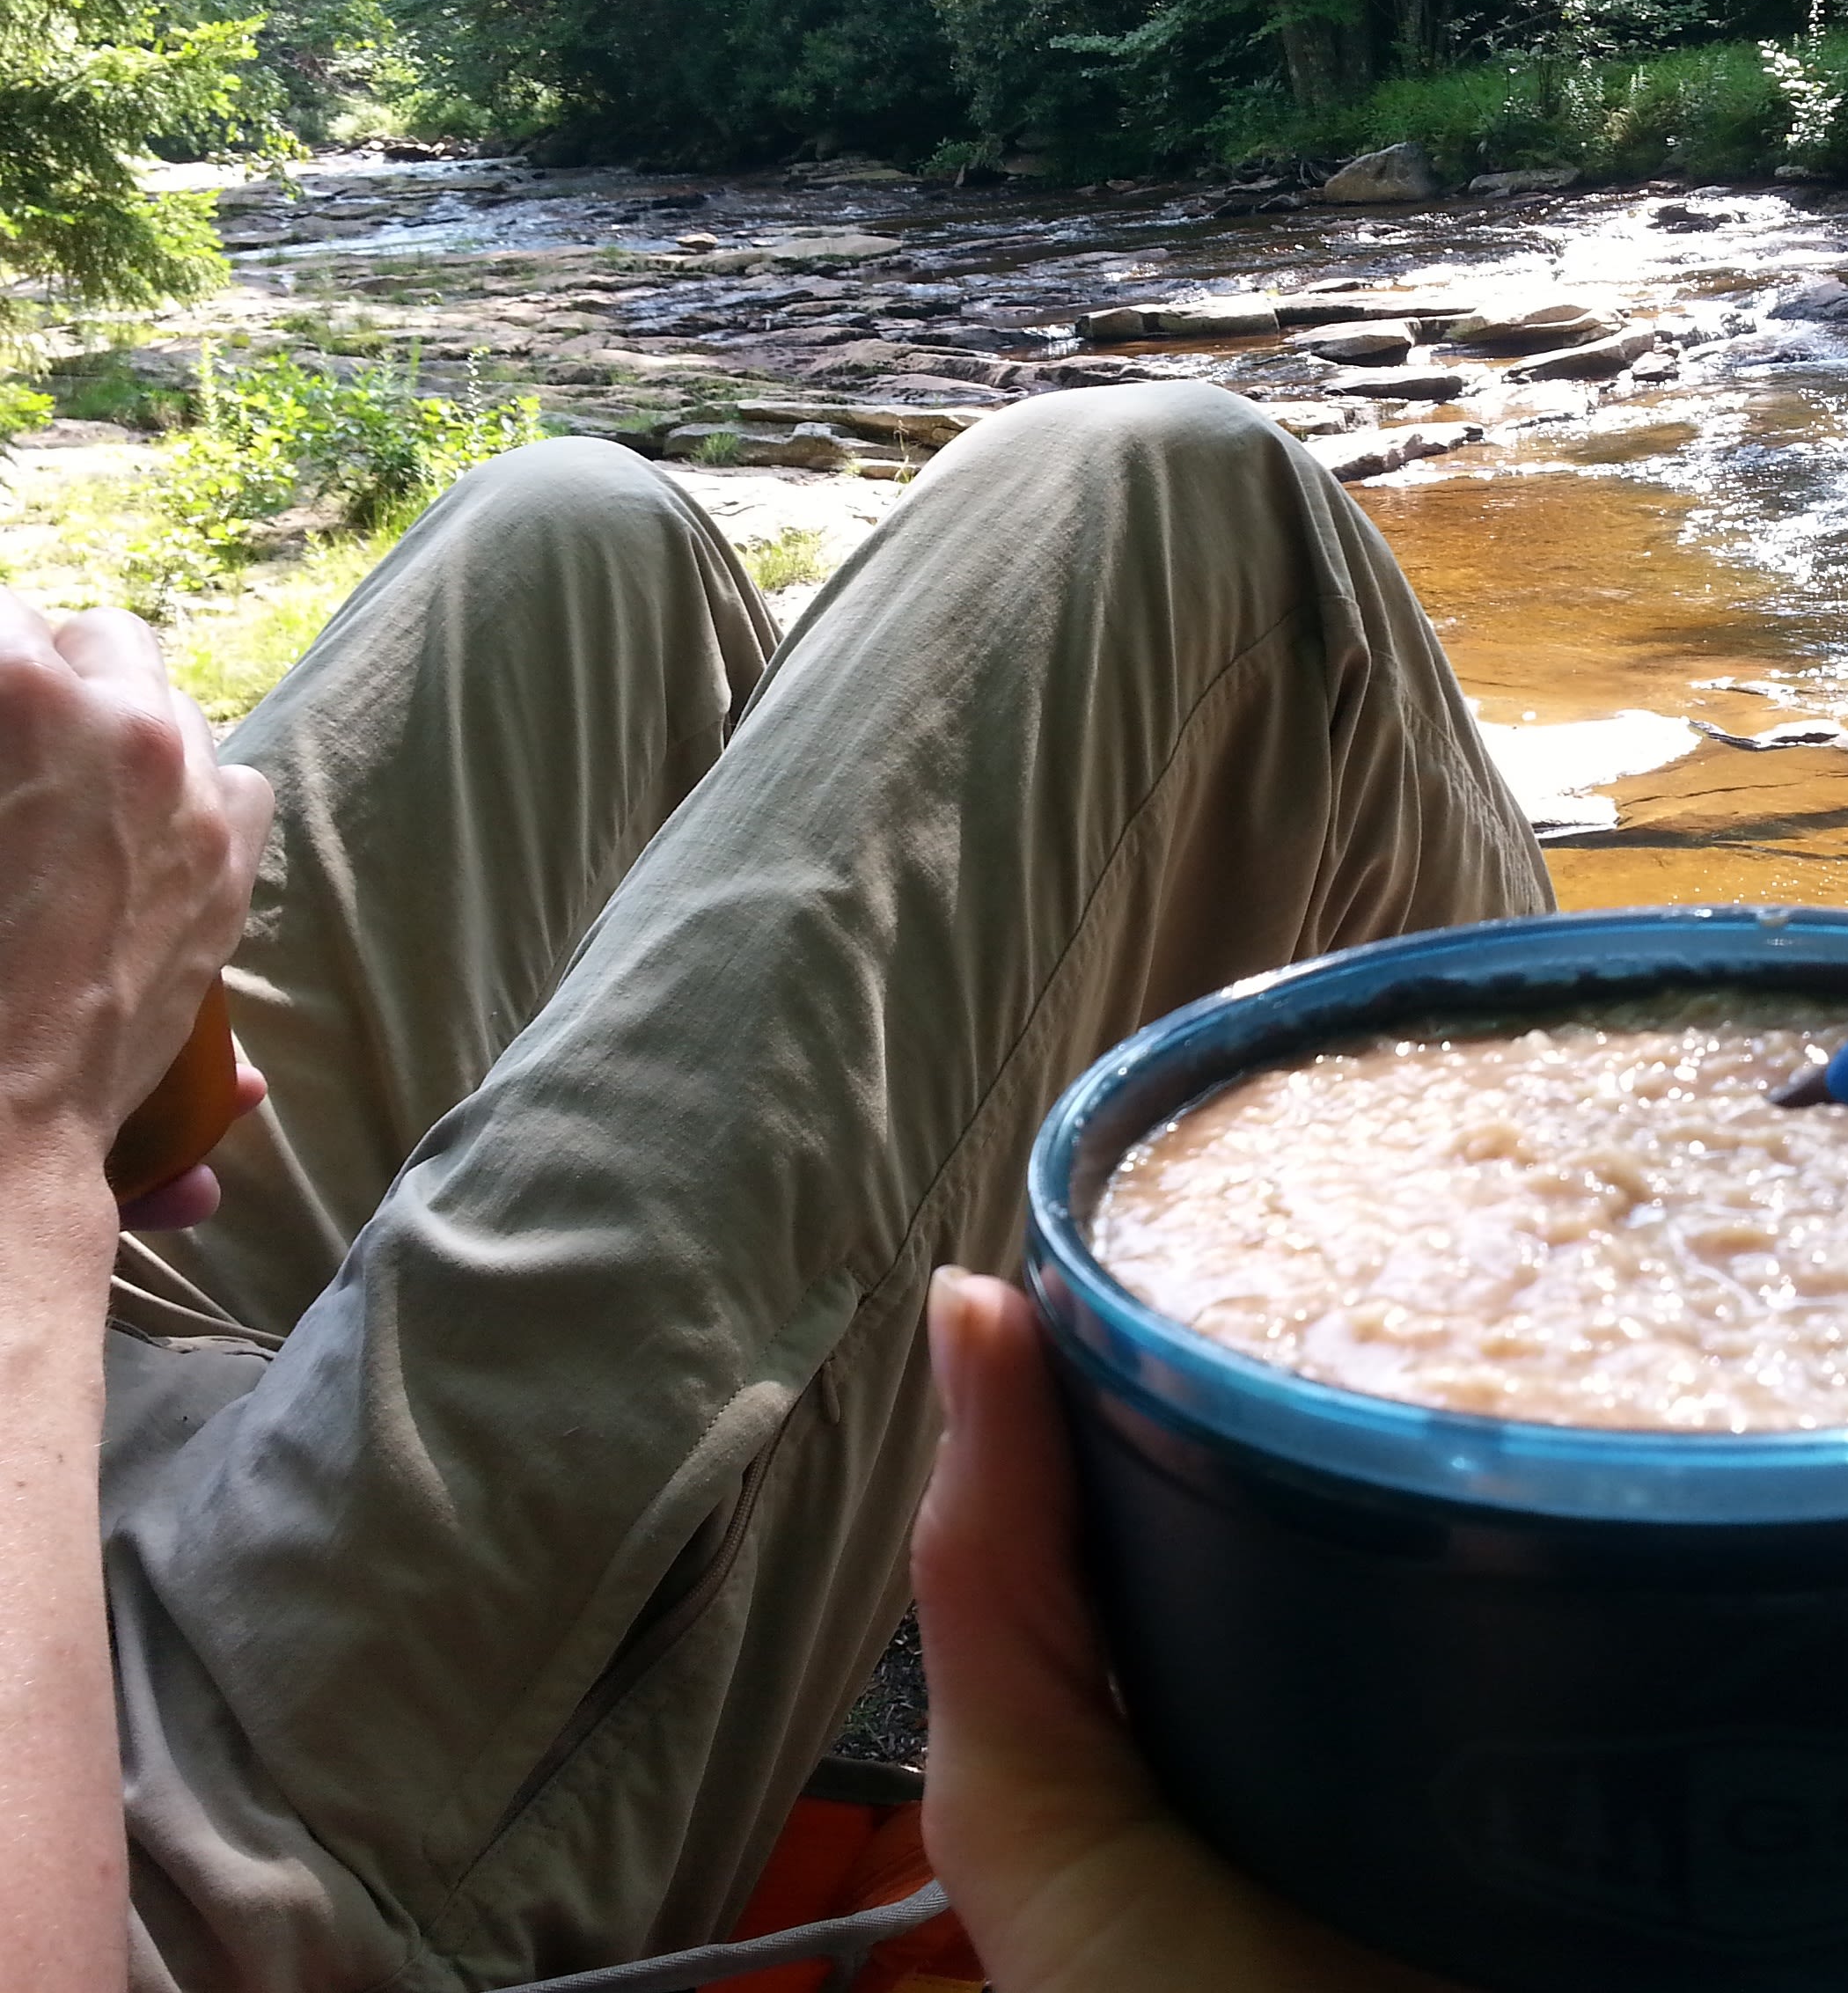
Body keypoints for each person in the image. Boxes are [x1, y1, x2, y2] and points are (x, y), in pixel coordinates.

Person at [4, 378, 1564, 1990]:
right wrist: (29, 1112)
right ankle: (1617, 1580)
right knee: (1163, 510)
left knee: (575, 543)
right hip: (133, 1834)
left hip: (85, 1385)